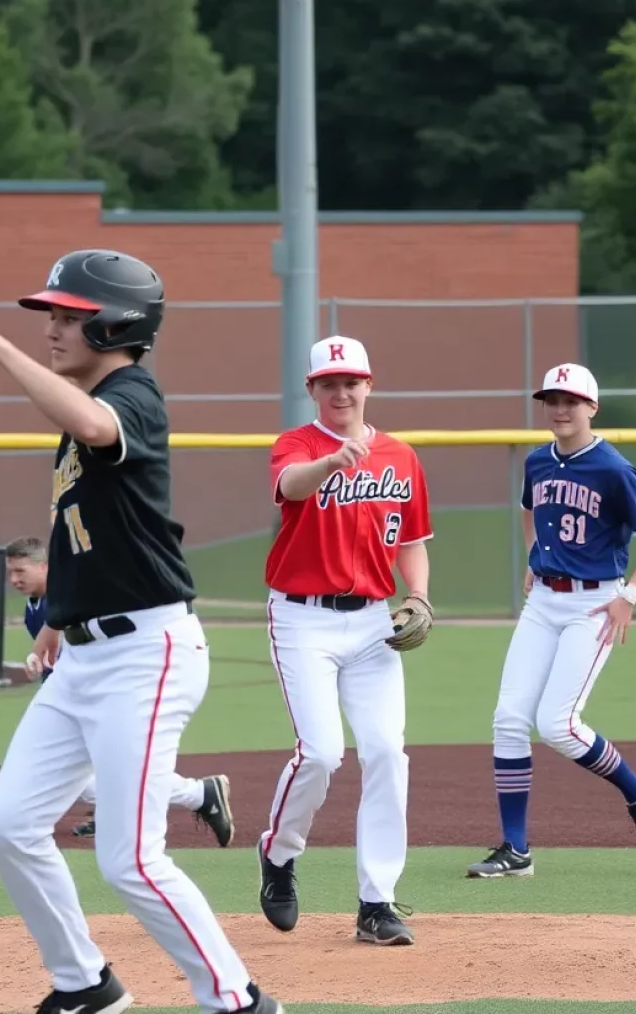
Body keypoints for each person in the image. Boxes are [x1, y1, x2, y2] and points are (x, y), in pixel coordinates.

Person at [0, 252, 281, 1014]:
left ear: (116, 321)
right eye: (53, 314)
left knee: (131, 858)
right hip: (86, 657)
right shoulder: (83, 414)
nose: (55, 327)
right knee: (7, 826)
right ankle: (84, 982)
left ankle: (238, 1000)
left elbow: (95, 423)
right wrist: (59, 620)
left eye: (69, 313)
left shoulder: (132, 396)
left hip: (147, 654)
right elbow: (84, 532)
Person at [256, 334, 435, 948]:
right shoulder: (297, 445)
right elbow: (293, 486)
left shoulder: (401, 456)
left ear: (368, 386)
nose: (341, 392)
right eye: (328, 383)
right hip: (302, 619)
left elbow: (411, 541)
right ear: (312, 389)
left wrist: (417, 595)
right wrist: (333, 461)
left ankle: (376, 903)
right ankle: (279, 854)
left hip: (371, 622)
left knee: (387, 752)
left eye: (350, 382)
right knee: (322, 753)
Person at [465, 362, 636, 880]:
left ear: (592, 408)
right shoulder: (537, 461)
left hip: (594, 604)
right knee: (509, 719)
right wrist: (535, 559)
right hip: (543, 604)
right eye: (551, 400)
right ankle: (516, 849)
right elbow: (528, 509)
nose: (559, 409)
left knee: (557, 725)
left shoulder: (613, 468)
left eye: (571, 401)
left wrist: (629, 595)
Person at [4, 535, 236, 847]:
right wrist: (39, 661)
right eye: (11, 572)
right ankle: (198, 795)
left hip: (116, 678)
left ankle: (196, 795)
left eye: (21, 571)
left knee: (102, 771)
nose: (14, 579)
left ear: (45, 567)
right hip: (74, 689)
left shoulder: (74, 591)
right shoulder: (37, 604)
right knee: (97, 769)